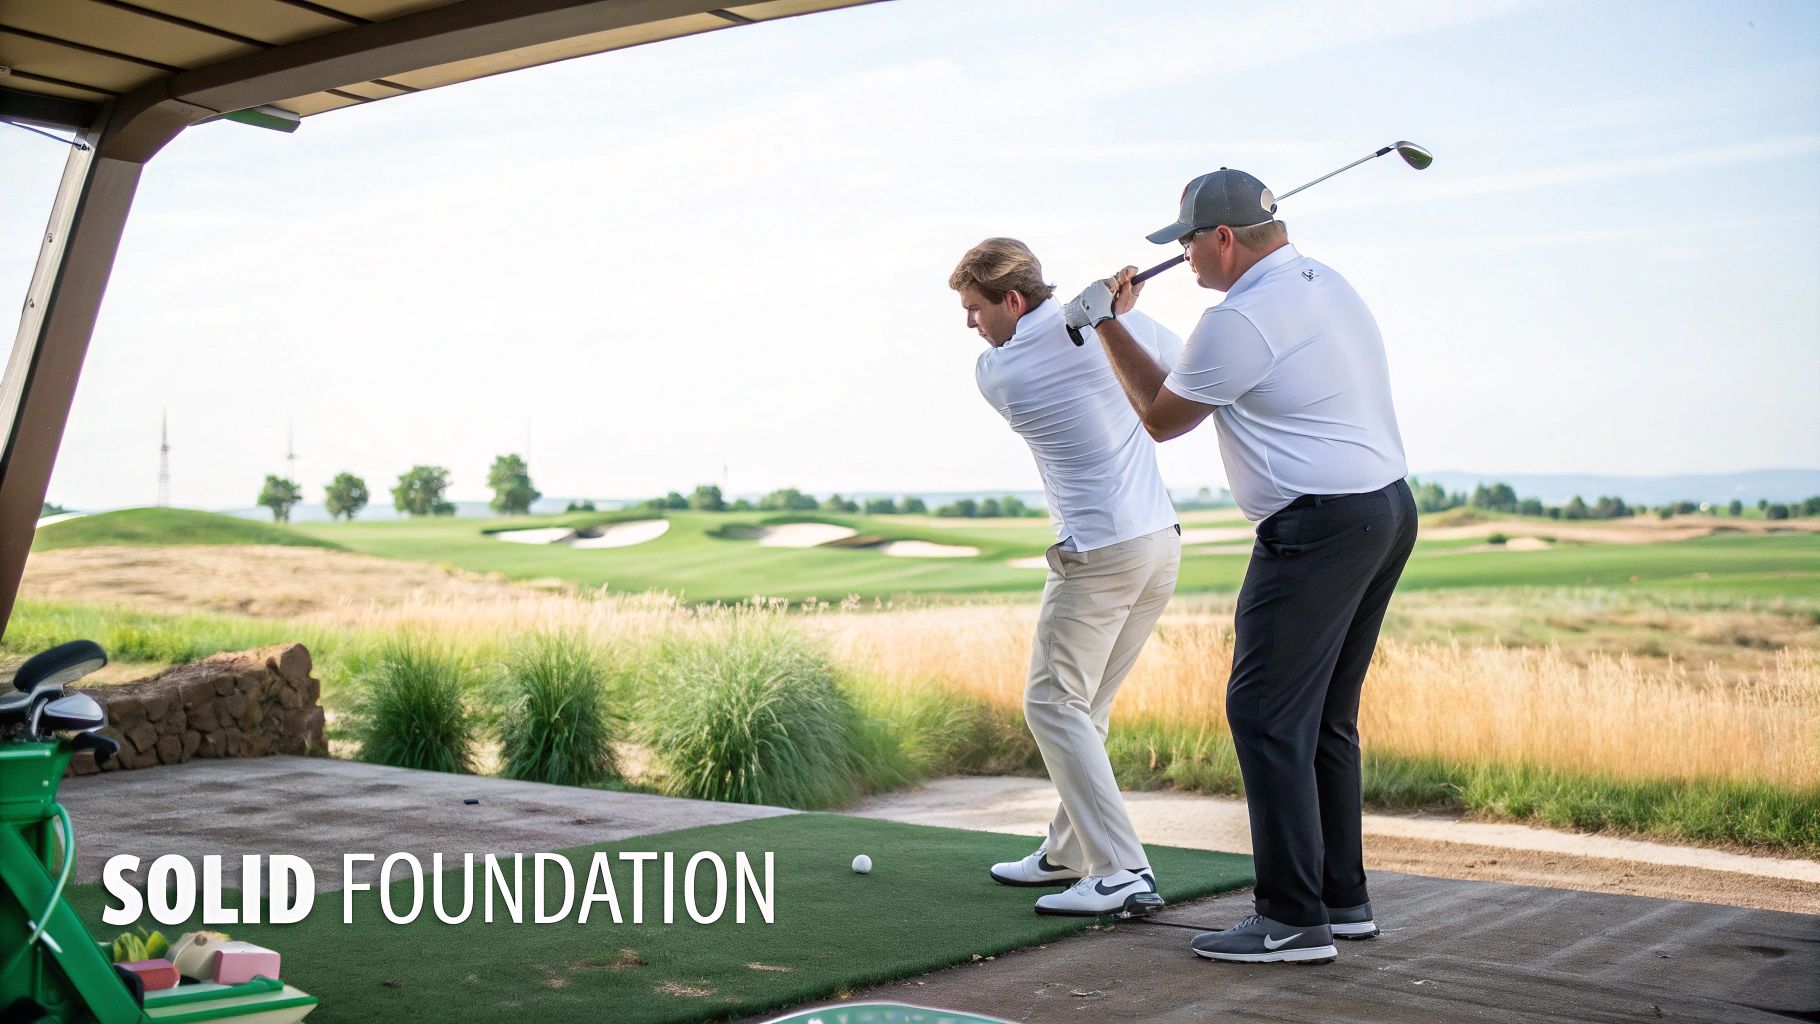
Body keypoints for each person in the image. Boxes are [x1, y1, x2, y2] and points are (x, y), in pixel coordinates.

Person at [1062, 169, 1418, 963]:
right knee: (1324, 715)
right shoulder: (1324, 282)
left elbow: (1161, 419)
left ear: (1224, 239)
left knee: (1263, 713)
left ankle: (1291, 918)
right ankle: (1341, 898)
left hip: (1317, 528)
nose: (1183, 256)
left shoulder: (1240, 319)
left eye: (1188, 241)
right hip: (1385, 510)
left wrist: (1105, 325)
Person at [948, 237, 1183, 918]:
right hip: (1157, 546)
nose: (971, 325)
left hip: (1100, 556)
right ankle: (1069, 851)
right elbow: (1173, 372)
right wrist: (1115, 314)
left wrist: (1103, 312)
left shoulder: (999, 371)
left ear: (1012, 300)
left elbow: (1044, 347)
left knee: (1054, 705)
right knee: (1088, 708)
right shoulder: (1112, 328)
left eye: (974, 308)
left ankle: (1120, 870)